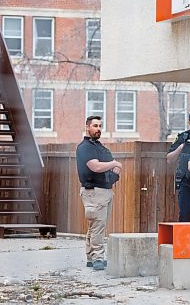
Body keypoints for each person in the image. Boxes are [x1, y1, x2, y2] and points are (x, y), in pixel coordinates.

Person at [76, 115, 122, 271]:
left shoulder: (99, 147)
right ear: (87, 127)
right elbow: (95, 167)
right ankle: (98, 258)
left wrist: (113, 167)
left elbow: (111, 166)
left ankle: (91, 257)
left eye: (100, 126)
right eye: (95, 126)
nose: (98, 129)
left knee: (95, 225)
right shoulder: (85, 147)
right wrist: (114, 164)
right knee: (98, 226)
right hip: (94, 191)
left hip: (105, 190)